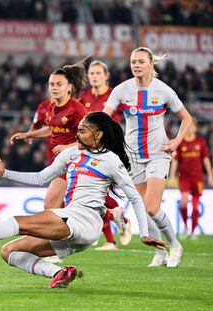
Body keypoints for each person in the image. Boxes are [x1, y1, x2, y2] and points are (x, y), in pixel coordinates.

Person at [0, 112, 166, 288]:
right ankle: (58, 273)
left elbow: (135, 196)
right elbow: (42, 177)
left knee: (19, 221)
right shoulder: (71, 154)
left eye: (83, 130)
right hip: (76, 227)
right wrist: (4, 173)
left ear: (99, 135)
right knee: (10, 252)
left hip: (82, 220)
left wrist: (144, 232)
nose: (77, 133)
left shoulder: (111, 160)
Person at [103, 47, 192, 267]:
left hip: (158, 154)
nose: (136, 65)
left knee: (151, 207)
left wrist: (177, 140)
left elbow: (186, 118)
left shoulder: (163, 90)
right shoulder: (122, 90)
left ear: (151, 64)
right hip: (133, 155)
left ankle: (175, 246)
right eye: (133, 61)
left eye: (141, 61)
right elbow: (105, 117)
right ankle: (160, 252)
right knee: (142, 208)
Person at [10, 62, 88, 210]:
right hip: (59, 162)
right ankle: (113, 214)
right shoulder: (52, 107)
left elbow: (90, 139)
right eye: (52, 84)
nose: (54, 87)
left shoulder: (77, 110)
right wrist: (28, 134)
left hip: (74, 163)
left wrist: (67, 147)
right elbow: (53, 129)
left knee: (50, 205)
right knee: (66, 207)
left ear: (69, 87)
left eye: (59, 84)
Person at [81, 60, 131, 251]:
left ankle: (114, 231)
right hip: (89, 150)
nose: (94, 76)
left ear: (106, 76)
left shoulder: (114, 95)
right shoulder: (84, 97)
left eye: (97, 73)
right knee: (97, 194)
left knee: (98, 193)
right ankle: (114, 232)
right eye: (91, 73)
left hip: (109, 150)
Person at [169, 119, 213, 239]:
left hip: (197, 178)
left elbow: (205, 159)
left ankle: (193, 231)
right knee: (183, 203)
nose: (189, 128)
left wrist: (209, 175)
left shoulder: (200, 142)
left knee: (195, 206)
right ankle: (185, 226)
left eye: (192, 126)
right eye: (187, 126)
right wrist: (172, 176)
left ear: (196, 128)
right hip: (184, 177)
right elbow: (175, 161)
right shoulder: (181, 142)